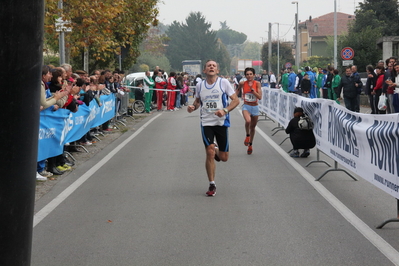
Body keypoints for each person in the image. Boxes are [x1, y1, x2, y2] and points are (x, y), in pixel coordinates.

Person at [187, 60, 239, 197]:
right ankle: (212, 184)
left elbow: (236, 100)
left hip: (221, 122)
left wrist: (225, 110)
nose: (211, 67)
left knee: (223, 157)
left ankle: (216, 149)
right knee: (209, 151)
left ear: (217, 70)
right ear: (204, 70)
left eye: (214, 66)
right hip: (206, 122)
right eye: (208, 65)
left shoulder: (223, 83)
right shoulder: (200, 85)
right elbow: (198, 101)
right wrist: (193, 107)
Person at [236, 67, 262, 155]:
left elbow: (260, 97)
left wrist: (254, 92)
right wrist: (234, 98)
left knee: (253, 127)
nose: (249, 76)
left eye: (251, 74)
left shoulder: (257, 83)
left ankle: (250, 144)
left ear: (254, 75)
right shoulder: (242, 83)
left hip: (255, 107)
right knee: (248, 121)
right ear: (245, 75)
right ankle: (247, 135)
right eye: (247, 74)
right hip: (246, 106)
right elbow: (238, 90)